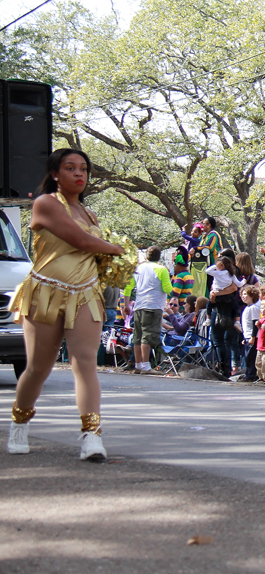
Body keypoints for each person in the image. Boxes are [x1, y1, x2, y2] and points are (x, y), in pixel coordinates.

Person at [7, 148, 125, 460]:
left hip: (85, 294)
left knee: (85, 362)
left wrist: (113, 262)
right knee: (38, 368)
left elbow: (91, 250)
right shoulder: (45, 203)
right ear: (55, 174)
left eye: (83, 169)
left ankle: (92, 436)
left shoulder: (90, 215)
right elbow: (82, 241)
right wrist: (118, 249)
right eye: (70, 168)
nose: (79, 174)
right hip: (45, 293)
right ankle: (20, 422)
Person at [123, 246, 174, 375]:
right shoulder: (161, 269)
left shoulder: (138, 268)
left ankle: (138, 364)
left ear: (147, 256)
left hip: (139, 306)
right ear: (159, 257)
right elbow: (168, 289)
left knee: (137, 336)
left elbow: (128, 287)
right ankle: (146, 366)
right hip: (153, 306)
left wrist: (126, 305)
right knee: (148, 336)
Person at [206, 255, 245, 377]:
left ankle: (224, 368)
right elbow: (237, 285)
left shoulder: (218, 273)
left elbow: (233, 287)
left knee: (219, 341)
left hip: (219, 308)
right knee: (226, 342)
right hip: (230, 307)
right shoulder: (231, 274)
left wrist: (216, 292)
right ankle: (225, 367)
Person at [191, 217, 223, 298]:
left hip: (214, 265)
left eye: (203, 223)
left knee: (210, 285)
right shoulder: (204, 236)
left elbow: (208, 247)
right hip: (205, 265)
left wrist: (195, 248)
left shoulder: (213, 235)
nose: (202, 225)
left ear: (209, 225)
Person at [239, 285, 260, 382]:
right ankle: (248, 373)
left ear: (252, 295)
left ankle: (250, 375)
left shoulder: (254, 308)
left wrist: (253, 337)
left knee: (251, 357)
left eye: (245, 294)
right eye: (242, 294)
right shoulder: (247, 308)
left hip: (253, 337)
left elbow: (254, 323)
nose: (243, 297)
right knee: (247, 357)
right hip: (247, 336)